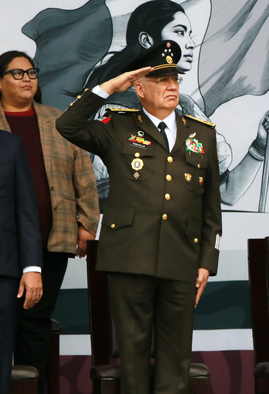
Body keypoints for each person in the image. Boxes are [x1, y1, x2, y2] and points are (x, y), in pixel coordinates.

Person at [56, 41, 222, 394]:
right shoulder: (117, 126)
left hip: (182, 260)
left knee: (175, 359)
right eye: (161, 79)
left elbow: (211, 208)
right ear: (140, 87)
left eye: (175, 79)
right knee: (132, 357)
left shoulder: (202, 134)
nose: (172, 86)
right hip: (130, 258)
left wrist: (207, 261)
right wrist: (109, 87)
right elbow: (67, 125)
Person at [85, 0, 269, 207]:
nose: (190, 43)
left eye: (190, 34)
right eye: (179, 32)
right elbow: (107, 199)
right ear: (146, 40)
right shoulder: (117, 110)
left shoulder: (187, 109)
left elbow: (226, 192)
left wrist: (260, 146)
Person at [0, 50, 99, 393]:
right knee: (6, 322)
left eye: (31, 72)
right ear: (0, 82)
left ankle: (34, 387)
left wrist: (87, 224)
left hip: (52, 239)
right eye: (17, 73)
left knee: (34, 321)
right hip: (5, 246)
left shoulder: (58, 121)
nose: (27, 78)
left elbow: (84, 175)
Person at [0, 131, 43, 394]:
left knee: (2, 354)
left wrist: (32, 267)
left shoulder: (10, 143)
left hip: (3, 267)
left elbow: (26, 208)